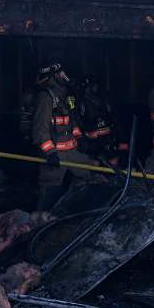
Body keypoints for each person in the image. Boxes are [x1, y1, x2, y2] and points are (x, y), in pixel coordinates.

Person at [32, 62, 96, 209]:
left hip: (72, 152)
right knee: (50, 191)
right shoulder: (45, 97)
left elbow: (71, 120)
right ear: (54, 75)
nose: (65, 76)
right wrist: (50, 153)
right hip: (56, 154)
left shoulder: (65, 95)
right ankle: (41, 223)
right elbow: (39, 130)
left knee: (90, 174)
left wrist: (79, 138)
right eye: (62, 73)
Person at [75, 74, 118, 165]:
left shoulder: (103, 101)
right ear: (88, 88)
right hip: (91, 143)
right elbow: (78, 123)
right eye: (93, 85)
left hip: (107, 140)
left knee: (112, 162)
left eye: (96, 85)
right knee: (94, 163)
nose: (96, 87)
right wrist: (86, 135)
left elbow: (111, 119)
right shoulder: (81, 103)